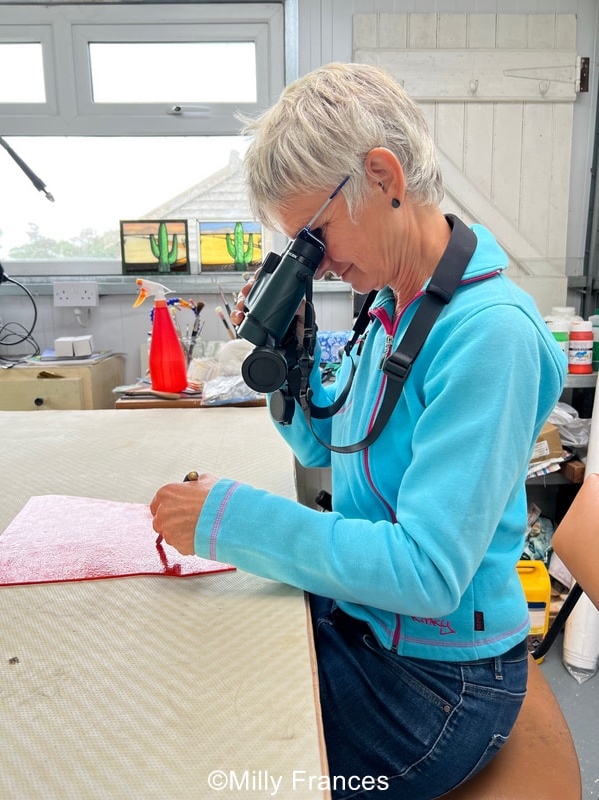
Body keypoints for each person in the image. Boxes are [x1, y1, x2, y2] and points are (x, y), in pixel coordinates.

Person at [150, 62, 567, 799]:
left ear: (381, 176)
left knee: (216, 759)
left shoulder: (488, 334)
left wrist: (228, 519)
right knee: (195, 660)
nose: (319, 261)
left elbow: (427, 573)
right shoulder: (396, 306)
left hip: (440, 683)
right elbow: (326, 448)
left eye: (315, 234)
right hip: (373, 626)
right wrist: (290, 360)